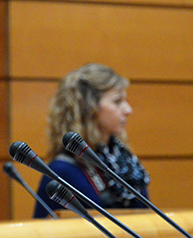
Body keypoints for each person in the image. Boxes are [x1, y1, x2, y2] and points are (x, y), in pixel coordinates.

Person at [34, 63, 150, 218]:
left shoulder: (126, 163)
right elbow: (42, 235)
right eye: (117, 101)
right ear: (89, 108)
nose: (128, 110)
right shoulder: (62, 172)